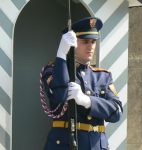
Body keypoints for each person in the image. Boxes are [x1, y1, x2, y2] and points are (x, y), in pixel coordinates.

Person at [41, 16, 123, 150]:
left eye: (93, 41)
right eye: (85, 41)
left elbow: (117, 113)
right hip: (65, 145)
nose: (91, 46)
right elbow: (60, 95)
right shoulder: (53, 70)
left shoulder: (102, 76)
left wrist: (88, 101)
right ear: (73, 43)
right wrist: (61, 54)